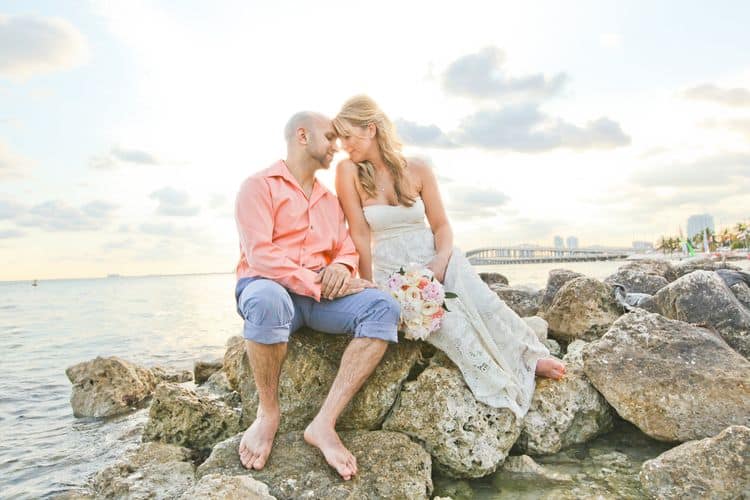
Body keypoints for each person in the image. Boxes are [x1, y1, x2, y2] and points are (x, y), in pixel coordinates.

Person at [333, 95, 565, 419]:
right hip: (392, 271)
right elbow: (358, 233)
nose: (343, 145)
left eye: (348, 136)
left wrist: (440, 260)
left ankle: (528, 357)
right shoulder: (348, 172)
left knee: (482, 303)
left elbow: (441, 225)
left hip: (434, 256)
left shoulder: (418, 169)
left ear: (370, 129)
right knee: (451, 324)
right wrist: (371, 286)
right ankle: (499, 381)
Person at [233, 111, 400, 480]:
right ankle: (268, 413)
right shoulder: (258, 186)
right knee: (267, 300)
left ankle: (324, 423)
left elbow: (345, 248)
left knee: (383, 306)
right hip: (271, 290)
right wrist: (315, 281)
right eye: (330, 138)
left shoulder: (329, 200)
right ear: (303, 136)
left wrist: (341, 268)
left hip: (321, 300)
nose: (336, 147)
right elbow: (260, 255)